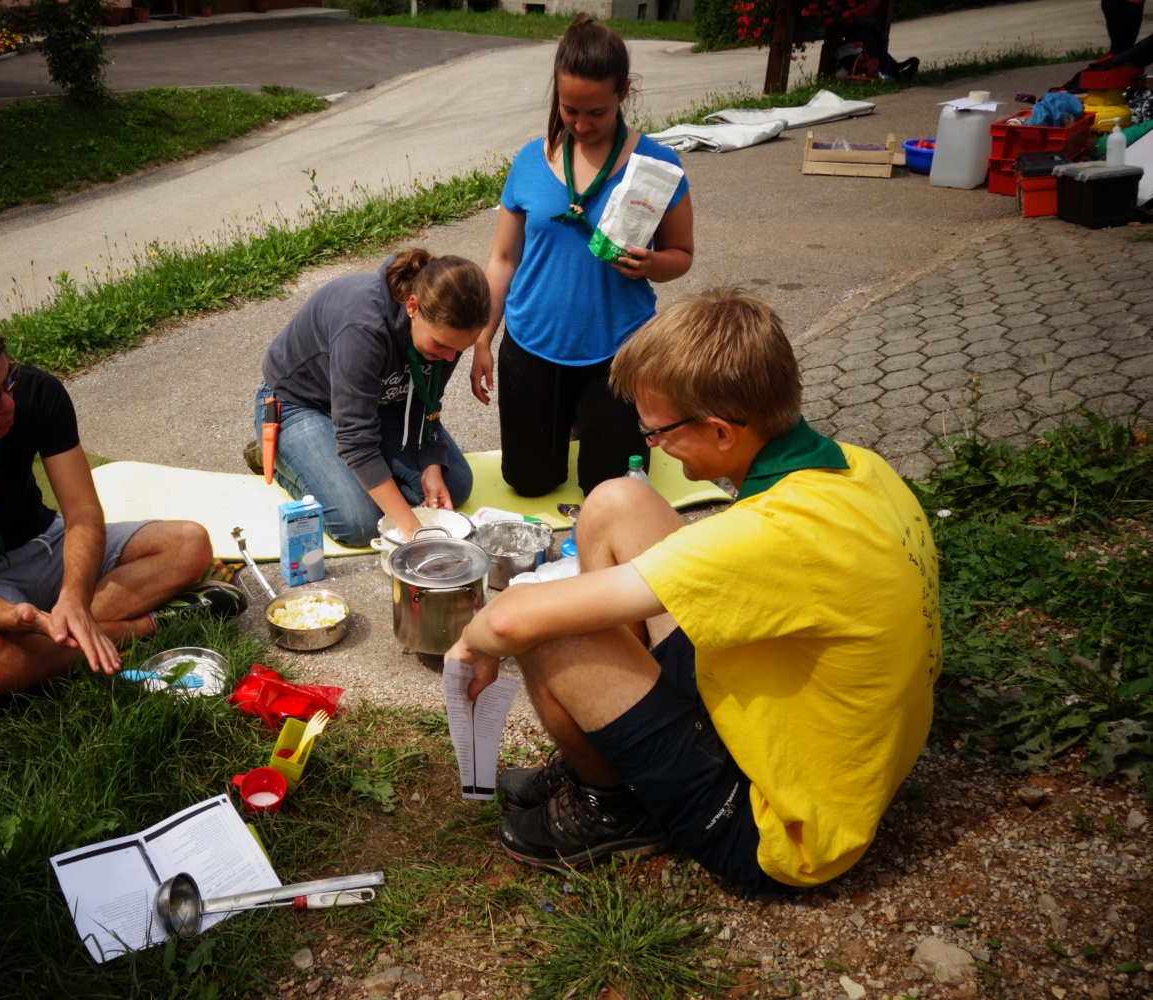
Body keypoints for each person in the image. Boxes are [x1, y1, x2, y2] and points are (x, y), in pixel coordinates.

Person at [448, 289, 939, 891]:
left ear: (721, 432)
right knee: (615, 501)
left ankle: (616, 806)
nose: (652, 446)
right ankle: (613, 764)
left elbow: (509, 622)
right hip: (808, 731)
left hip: (784, 827)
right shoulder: (859, 469)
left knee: (550, 630)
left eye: (658, 433)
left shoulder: (773, 536)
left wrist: (471, 643)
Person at [0, 304, 236, 705]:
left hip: (49, 544)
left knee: (189, 543)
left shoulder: (37, 391)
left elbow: (83, 513)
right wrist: (12, 617)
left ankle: (49, 647)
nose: (7, 405)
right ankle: (144, 626)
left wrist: (73, 594)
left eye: (8, 381)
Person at [470, 13, 695, 500]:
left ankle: (589, 422)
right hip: (533, 343)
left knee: (613, 490)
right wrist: (484, 337)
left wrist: (650, 264)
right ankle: (570, 425)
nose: (581, 123)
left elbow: (682, 255)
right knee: (529, 483)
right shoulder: (530, 159)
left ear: (624, 92)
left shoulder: (656, 167)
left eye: (597, 112)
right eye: (570, 109)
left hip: (618, 351)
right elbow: (504, 257)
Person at [254, 249, 489, 548]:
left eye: (460, 349)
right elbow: (355, 438)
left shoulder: (447, 337)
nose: (450, 357)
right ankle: (280, 459)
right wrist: (413, 532)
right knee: (359, 523)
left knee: (454, 486)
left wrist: (430, 463)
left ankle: (352, 472)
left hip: (380, 402)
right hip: (300, 403)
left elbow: (426, 401)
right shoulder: (363, 327)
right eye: (442, 345)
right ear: (413, 307)